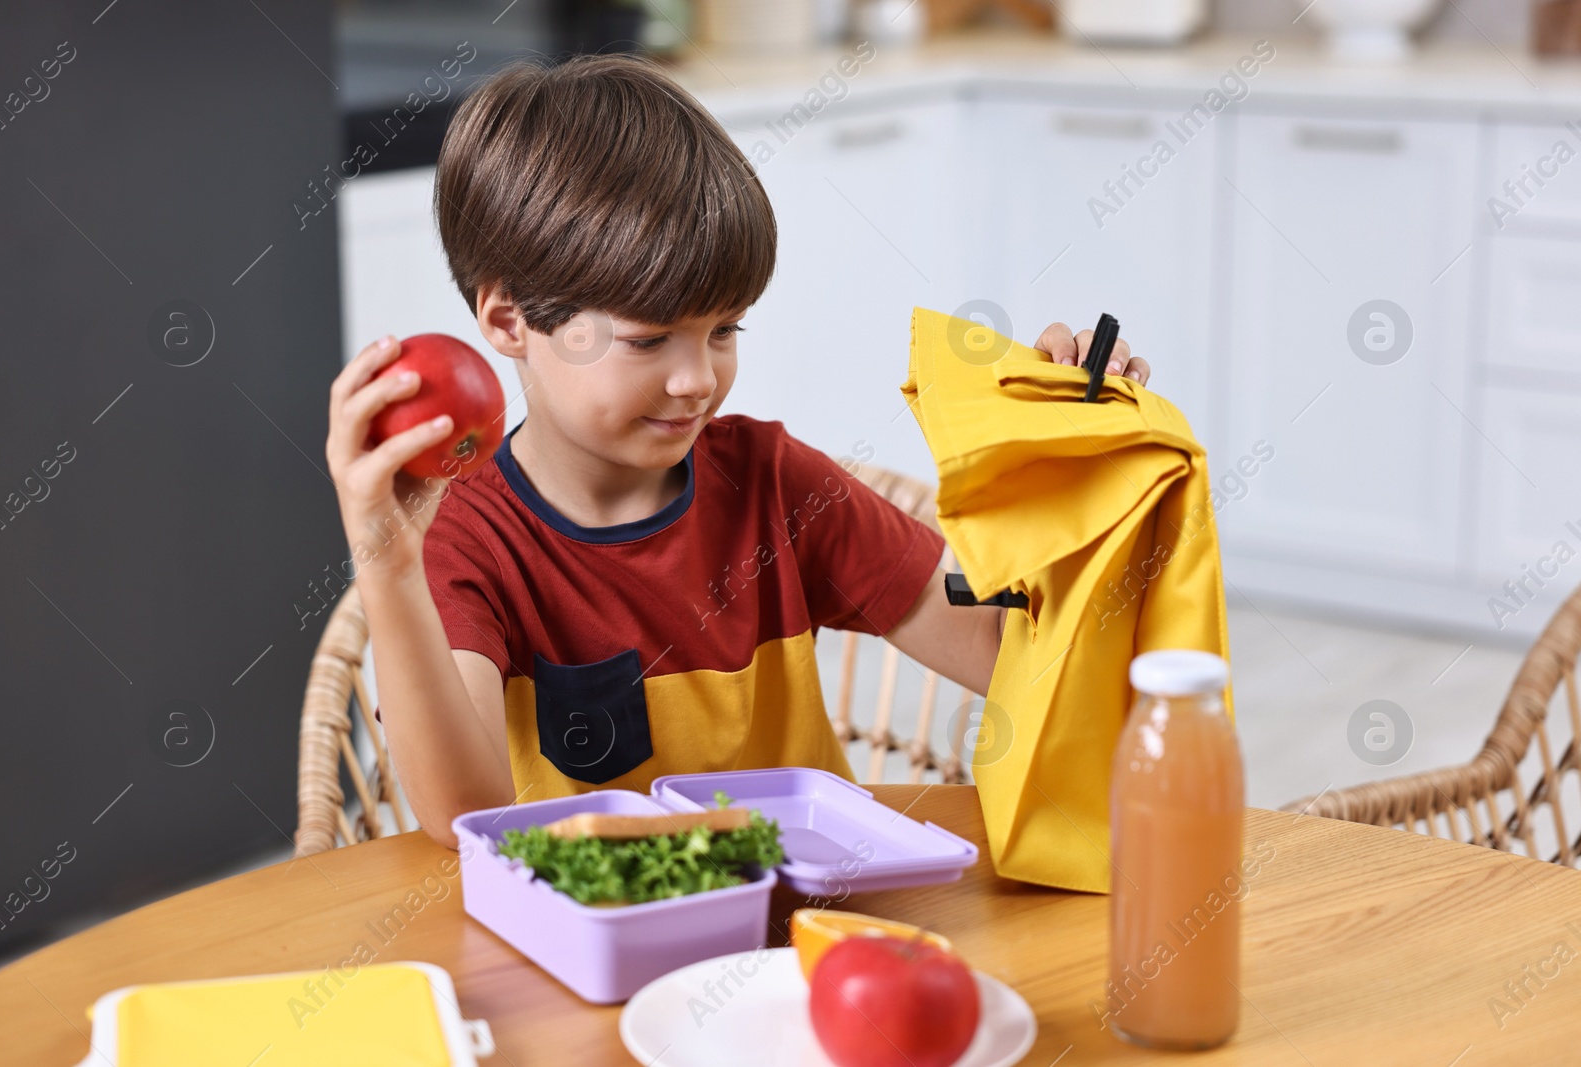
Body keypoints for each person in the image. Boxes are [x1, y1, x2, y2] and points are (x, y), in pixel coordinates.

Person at [324, 55, 1149, 847]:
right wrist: (389, 565)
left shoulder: (777, 486)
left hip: (809, 947)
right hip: (601, 965)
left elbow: (1013, 656)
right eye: (649, 341)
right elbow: (462, 810)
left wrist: (1068, 472)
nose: (697, 379)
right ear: (509, 322)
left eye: (724, 330)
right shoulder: (470, 537)